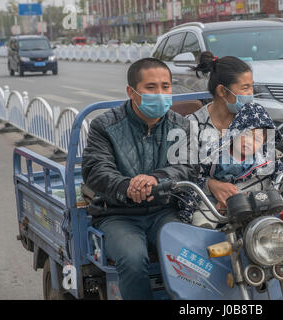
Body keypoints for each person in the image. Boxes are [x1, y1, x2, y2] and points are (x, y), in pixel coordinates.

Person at [81, 57, 197, 300]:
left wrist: (156, 179)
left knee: (189, 255)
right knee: (133, 259)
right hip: (117, 214)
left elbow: (188, 166)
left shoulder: (181, 125)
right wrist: (126, 186)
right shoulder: (105, 125)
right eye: (151, 87)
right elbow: (95, 169)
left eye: (165, 87)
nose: (160, 93)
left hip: (165, 210)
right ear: (131, 92)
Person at [178, 51, 283, 226]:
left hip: (260, 198)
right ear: (222, 91)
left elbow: (271, 160)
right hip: (211, 203)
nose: (251, 93)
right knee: (201, 231)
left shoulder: (254, 116)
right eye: (245, 88)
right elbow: (182, 174)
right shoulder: (192, 125)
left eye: (252, 86)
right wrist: (211, 185)